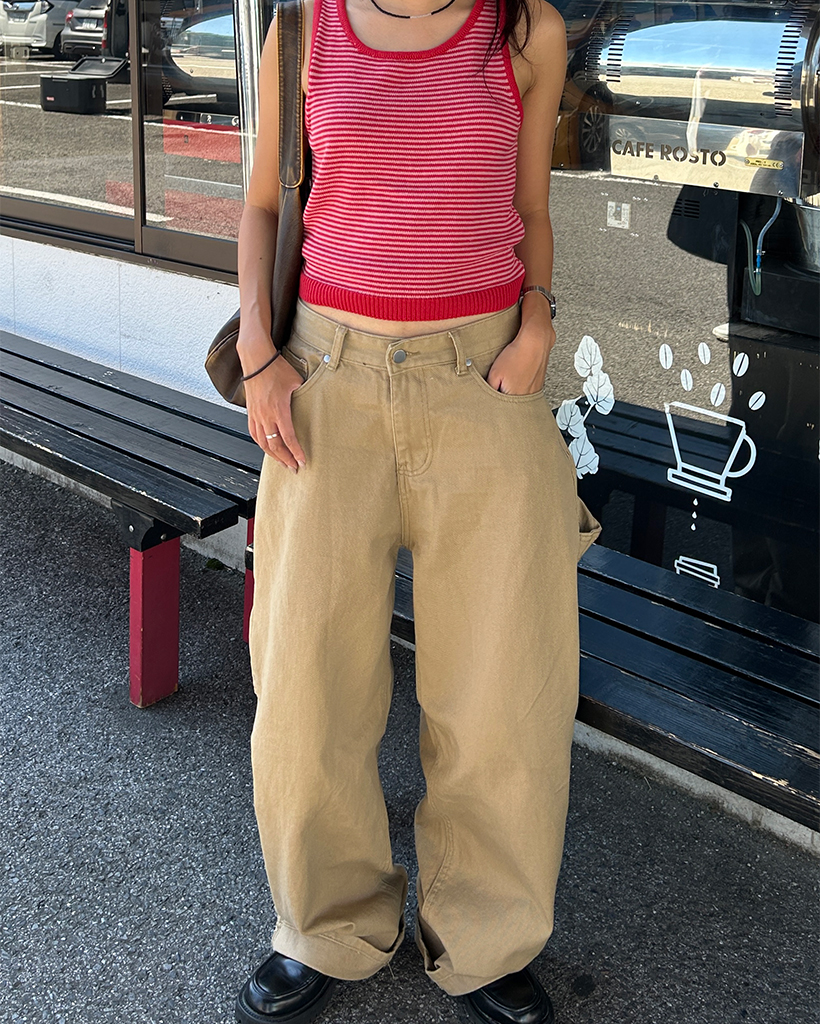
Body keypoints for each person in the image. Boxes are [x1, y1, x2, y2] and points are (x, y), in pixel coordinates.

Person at [233, 0, 601, 1021]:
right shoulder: (304, 22)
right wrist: (259, 354)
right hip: (326, 379)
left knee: (502, 690)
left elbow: (529, 208)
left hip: (484, 377)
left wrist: (537, 323)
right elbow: (261, 201)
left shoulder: (524, 29)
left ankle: (485, 934)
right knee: (306, 683)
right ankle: (325, 923)